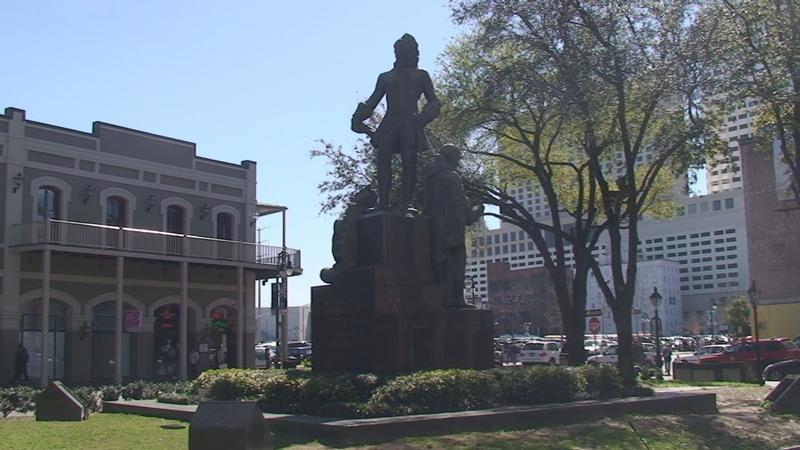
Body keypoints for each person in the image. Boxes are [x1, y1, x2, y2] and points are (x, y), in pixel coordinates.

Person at [351, 33, 441, 212]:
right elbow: (372, 101)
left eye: (403, 50)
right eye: (398, 50)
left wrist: (425, 117)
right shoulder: (386, 77)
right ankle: (383, 203)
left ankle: (405, 203)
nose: (400, 54)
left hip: (411, 123)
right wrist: (359, 117)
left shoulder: (421, 75)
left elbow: (434, 101)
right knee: (383, 159)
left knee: (409, 162)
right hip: (390, 123)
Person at [424, 144, 484, 306]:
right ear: (451, 158)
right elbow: (459, 205)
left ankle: (443, 299)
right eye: (457, 158)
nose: (458, 162)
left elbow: (426, 206)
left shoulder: (429, 179)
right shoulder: (452, 177)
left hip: (434, 230)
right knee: (457, 265)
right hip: (452, 229)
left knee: (441, 265)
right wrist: (477, 211)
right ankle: (457, 300)